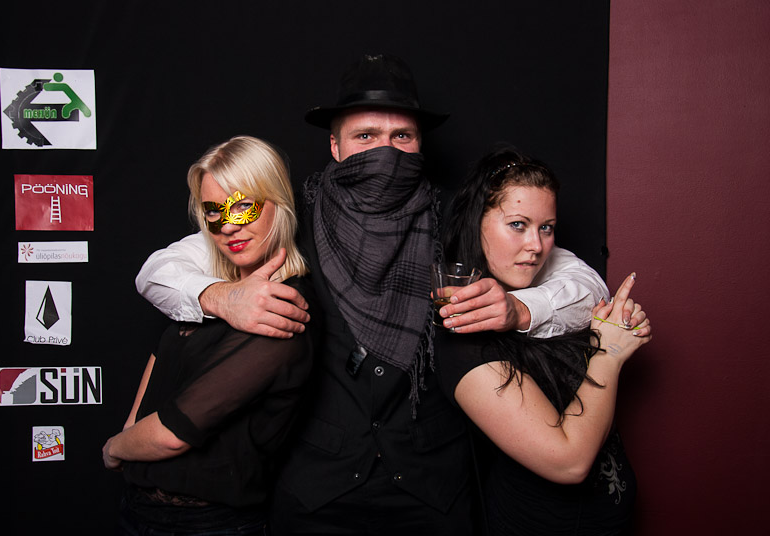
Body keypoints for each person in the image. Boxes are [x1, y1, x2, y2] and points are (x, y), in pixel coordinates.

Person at [134, 55, 611, 535]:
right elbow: (159, 270)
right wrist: (221, 297)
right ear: (335, 146)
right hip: (315, 493)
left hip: (435, 492)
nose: (385, 151)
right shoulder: (290, 216)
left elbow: (587, 284)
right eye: (365, 136)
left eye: (401, 136)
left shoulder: (459, 219)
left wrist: (520, 309)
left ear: (420, 144)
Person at [102, 136, 321, 535]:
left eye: (242, 206)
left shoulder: (284, 307)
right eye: (214, 212)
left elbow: (175, 432)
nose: (228, 226)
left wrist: (115, 448)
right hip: (137, 510)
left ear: (278, 201)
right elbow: (163, 347)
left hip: (209, 525)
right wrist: (130, 426)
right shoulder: (213, 276)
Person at [437, 146, 651, 535]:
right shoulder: (465, 335)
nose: (536, 246)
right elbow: (569, 461)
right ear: (476, 222)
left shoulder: (541, 277)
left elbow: (588, 284)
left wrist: (615, 323)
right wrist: (610, 352)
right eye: (518, 225)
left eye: (546, 228)